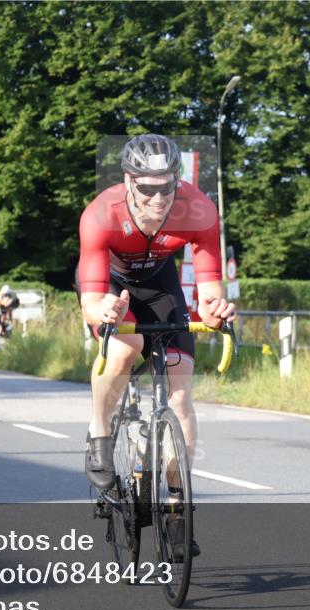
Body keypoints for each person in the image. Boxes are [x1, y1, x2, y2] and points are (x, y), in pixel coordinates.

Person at [76, 133, 236, 559]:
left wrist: (215, 309)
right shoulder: (100, 215)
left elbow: (208, 288)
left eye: (167, 186)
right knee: (126, 351)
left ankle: (178, 507)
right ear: (128, 180)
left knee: (181, 397)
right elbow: (90, 301)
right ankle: (99, 431)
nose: (159, 198)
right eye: (147, 188)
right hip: (111, 287)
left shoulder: (199, 209)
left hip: (162, 287)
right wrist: (103, 311)